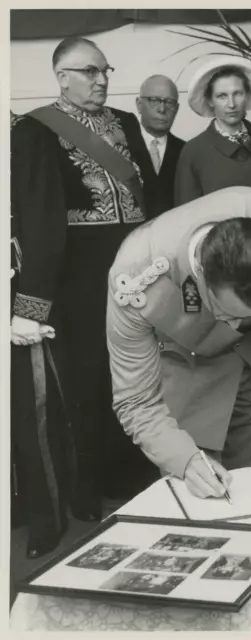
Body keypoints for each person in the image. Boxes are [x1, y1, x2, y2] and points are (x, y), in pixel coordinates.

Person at [106, 186, 251, 500]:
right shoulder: (134, 276)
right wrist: (183, 460)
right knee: (199, 505)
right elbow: (135, 400)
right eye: (227, 314)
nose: (236, 326)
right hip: (185, 377)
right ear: (199, 275)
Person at [27, 36, 154, 520]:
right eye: (89, 72)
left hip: (137, 266)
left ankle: (134, 475)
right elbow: (40, 218)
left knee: (138, 371)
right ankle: (88, 490)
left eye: (105, 71)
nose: (101, 80)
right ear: (62, 77)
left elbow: (151, 200)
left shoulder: (124, 123)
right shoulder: (35, 131)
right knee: (87, 382)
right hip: (78, 276)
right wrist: (32, 304)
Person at [10, 112, 71, 558]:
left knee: (30, 415)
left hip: (18, 302)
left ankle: (46, 516)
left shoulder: (25, 134)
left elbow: (46, 226)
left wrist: (29, 309)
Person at [174, 56, 251, 206]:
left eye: (237, 94)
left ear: (246, 96)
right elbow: (184, 212)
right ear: (210, 100)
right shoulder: (194, 151)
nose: (231, 104)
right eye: (222, 96)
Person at [135, 75, 185, 216]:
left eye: (169, 102)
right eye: (154, 100)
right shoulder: (121, 144)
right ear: (139, 104)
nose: (162, 109)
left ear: (176, 109)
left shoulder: (186, 151)